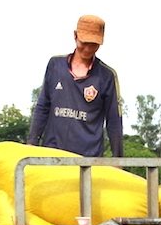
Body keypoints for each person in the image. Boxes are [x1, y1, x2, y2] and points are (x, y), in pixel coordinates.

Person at [27, 14, 124, 157]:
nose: (88, 48)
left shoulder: (107, 76)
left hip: (88, 158)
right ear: (75, 36)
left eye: (94, 44)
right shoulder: (55, 65)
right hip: (52, 154)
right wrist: (31, 143)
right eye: (84, 42)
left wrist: (118, 159)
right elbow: (42, 107)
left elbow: (114, 120)